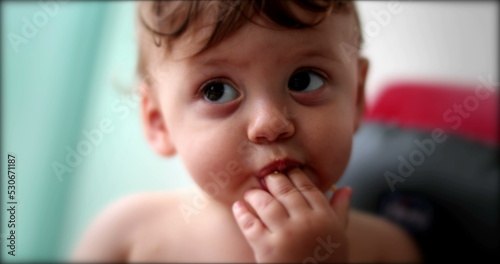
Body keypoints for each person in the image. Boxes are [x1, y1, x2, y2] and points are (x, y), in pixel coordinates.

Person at [71, 1, 421, 262]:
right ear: (159, 123)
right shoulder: (127, 235)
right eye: (216, 91)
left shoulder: (386, 250)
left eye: (305, 80)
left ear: (356, 98)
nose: (270, 124)